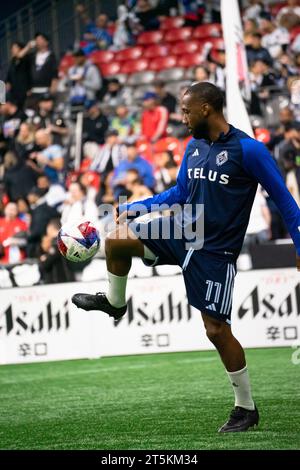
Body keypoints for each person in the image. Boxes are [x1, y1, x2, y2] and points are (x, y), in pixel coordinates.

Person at [72, 82, 300, 433]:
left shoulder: (249, 150)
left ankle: (246, 408)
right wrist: (135, 207)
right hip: (182, 233)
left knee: (216, 331)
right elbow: (180, 192)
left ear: (206, 108)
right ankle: (116, 304)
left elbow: (285, 201)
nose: (182, 117)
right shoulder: (193, 147)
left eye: (185, 110)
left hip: (215, 251)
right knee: (116, 241)